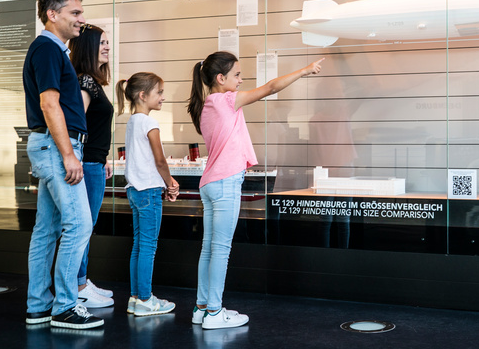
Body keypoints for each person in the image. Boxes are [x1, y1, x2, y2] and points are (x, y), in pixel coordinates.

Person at [187, 51, 324, 329]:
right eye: (236, 75)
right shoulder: (227, 100)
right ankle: (214, 313)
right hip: (225, 183)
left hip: (211, 183)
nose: (241, 80)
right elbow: (270, 88)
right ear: (220, 78)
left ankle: (202, 309)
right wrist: (304, 70)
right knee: (221, 250)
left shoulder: (205, 104)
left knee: (209, 248)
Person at [23, 0, 103, 329]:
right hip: (58, 147)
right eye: (75, 13)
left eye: (81, 13)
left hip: (54, 146)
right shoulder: (47, 49)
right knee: (79, 224)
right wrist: (69, 154)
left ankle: (39, 306)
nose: (81, 20)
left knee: (46, 230)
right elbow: (49, 104)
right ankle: (65, 307)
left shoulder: (52, 50)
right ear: (52, 15)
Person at [116, 72, 180, 317]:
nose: (162, 97)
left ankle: (136, 297)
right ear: (143, 95)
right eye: (159, 92)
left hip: (134, 190)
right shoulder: (150, 124)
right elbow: (160, 160)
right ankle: (145, 299)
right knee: (149, 247)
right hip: (150, 192)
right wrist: (170, 182)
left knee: (139, 246)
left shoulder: (133, 121)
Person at [68, 23, 114, 308]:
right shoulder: (85, 81)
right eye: (102, 43)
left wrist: (103, 157)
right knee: (84, 227)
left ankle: (82, 280)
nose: (107, 47)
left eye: (108, 42)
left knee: (86, 226)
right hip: (86, 165)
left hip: (95, 162)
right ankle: (79, 285)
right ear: (88, 48)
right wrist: (81, 158)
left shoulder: (92, 81)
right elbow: (76, 122)